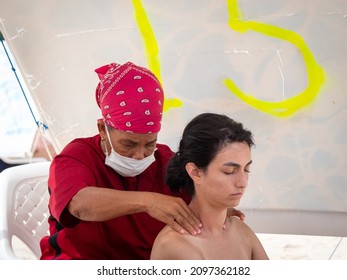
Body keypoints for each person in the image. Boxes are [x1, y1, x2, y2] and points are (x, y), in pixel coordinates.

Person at [39, 61, 243, 260]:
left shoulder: (165, 160)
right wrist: (148, 202)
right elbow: (79, 204)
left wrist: (215, 209)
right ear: (103, 130)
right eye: (128, 144)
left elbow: (198, 199)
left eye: (149, 144)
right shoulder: (76, 157)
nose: (139, 155)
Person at [150, 113, 269, 260]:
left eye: (246, 170)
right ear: (195, 173)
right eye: (229, 171)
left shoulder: (243, 233)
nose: (242, 182)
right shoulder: (173, 245)